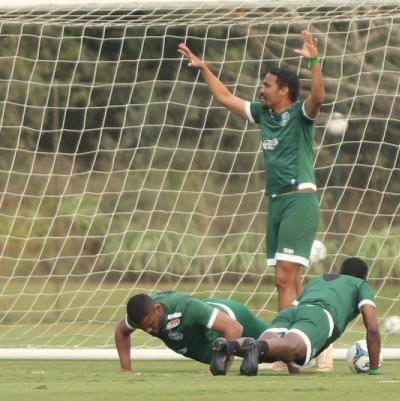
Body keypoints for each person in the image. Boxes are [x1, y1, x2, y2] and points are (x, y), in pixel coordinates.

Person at [178, 30, 332, 371]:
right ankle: (308, 348)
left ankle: (284, 352)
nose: (260, 89)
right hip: (276, 202)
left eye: (266, 85)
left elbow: (318, 97)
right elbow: (226, 99)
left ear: (284, 90)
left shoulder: (300, 115)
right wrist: (204, 68)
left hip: (298, 200)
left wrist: (314, 61)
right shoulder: (264, 115)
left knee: (283, 278)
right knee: (289, 281)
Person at [209, 257, 382, 376]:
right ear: (363, 276)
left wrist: (295, 372)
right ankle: (253, 346)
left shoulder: (318, 280)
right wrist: (374, 370)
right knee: (288, 346)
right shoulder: (360, 284)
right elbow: (372, 327)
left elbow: (294, 307)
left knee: (266, 350)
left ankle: (229, 346)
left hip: (291, 311)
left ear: (341, 271)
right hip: (319, 315)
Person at [114, 291, 268, 374]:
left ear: (158, 309)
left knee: (284, 349)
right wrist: (126, 368)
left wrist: (220, 367)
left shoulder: (185, 307)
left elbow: (234, 328)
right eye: (143, 328)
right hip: (213, 339)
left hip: (232, 315)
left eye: (150, 325)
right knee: (263, 357)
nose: (148, 330)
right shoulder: (140, 315)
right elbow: (121, 331)